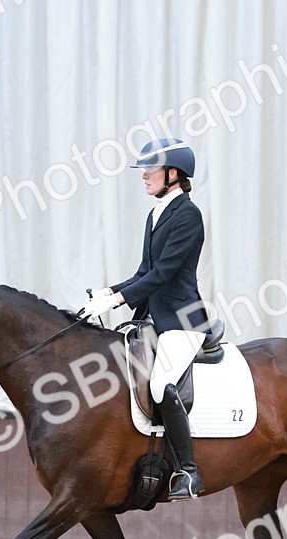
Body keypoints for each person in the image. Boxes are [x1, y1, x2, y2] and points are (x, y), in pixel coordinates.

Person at [80, 138, 209, 501]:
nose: (144, 177)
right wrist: (109, 293)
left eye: (149, 171)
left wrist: (118, 299)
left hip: (182, 320)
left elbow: (165, 272)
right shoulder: (155, 214)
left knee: (159, 384)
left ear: (173, 174)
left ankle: (189, 471)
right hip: (153, 317)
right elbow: (144, 272)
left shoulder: (188, 214)